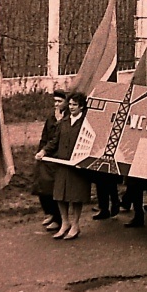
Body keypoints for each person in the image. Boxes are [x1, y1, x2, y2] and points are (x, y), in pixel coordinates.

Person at [35, 91, 91, 240]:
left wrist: (84, 160)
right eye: (70, 104)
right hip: (62, 163)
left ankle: (75, 225)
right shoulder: (63, 122)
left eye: (75, 105)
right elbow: (54, 141)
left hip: (77, 165)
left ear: (82, 107)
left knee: (75, 196)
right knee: (60, 195)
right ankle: (64, 223)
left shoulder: (86, 123)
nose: (71, 107)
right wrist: (43, 151)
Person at [32, 90, 65, 232]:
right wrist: (40, 151)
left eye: (60, 102)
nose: (56, 104)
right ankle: (50, 212)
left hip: (59, 156)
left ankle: (58, 219)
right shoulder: (51, 117)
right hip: (47, 155)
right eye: (55, 101)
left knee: (54, 189)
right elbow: (45, 137)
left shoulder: (66, 118)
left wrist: (59, 122)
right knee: (41, 186)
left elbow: (60, 138)